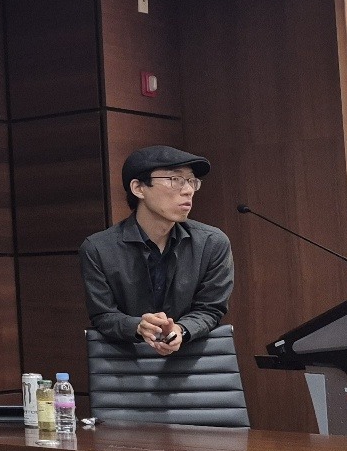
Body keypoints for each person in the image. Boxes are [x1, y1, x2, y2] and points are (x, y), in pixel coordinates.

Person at [79, 145, 234, 356]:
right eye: (175, 179)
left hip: (191, 359)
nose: (188, 190)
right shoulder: (98, 249)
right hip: (126, 361)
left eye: (191, 181)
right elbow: (103, 314)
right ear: (138, 188)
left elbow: (211, 308)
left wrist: (181, 329)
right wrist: (138, 326)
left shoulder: (212, 243)